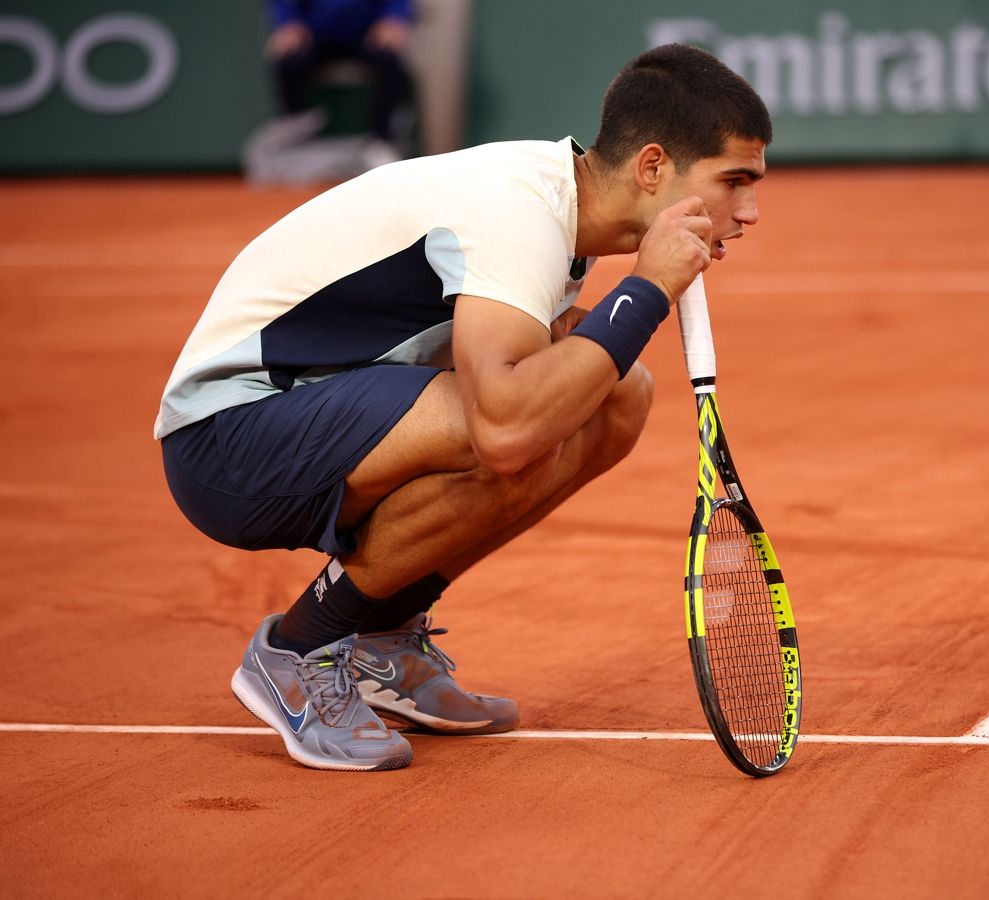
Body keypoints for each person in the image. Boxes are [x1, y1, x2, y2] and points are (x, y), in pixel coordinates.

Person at [155, 44, 772, 771]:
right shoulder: (518, 214)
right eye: (733, 181)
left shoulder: (559, 206)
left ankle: (383, 638)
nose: (749, 212)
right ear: (652, 168)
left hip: (310, 413)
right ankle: (297, 649)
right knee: (514, 425)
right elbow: (506, 427)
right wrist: (647, 290)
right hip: (226, 440)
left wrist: (584, 335)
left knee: (616, 393)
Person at [266, 0, 415, 164]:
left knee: (390, 61)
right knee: (288, 62)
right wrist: (288, 23)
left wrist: (392, 18)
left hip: (367, 32)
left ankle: (381, 141)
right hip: (315, 33)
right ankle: (299, 140)